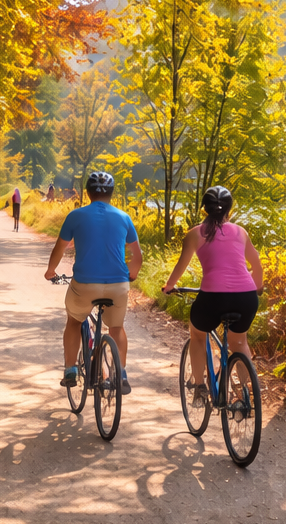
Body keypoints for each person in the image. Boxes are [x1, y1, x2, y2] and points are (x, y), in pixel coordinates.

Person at [162, 186, 263, 407]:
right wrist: (258, 287)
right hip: (246, 297)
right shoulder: (240, 232)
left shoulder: (194, 234)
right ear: (230, 208)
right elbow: (256, 265)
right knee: (239, 341)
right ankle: (244, 395)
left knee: (198, 335)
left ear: (204, 208)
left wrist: (170, 286)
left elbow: (181, 266)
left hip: (213, 298)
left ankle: (200, 388)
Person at [45, 171, 141, 395]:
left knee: (74, 321)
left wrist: (51, 271)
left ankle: (70, 369)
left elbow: (59, 248)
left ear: (87, 192)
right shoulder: (124, 217)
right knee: (116, 328)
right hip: (118, 285)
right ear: (111, 193)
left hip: (84, 285)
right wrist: (132, 275)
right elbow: (138, 256)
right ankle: (122, 373)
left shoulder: (76, 215)